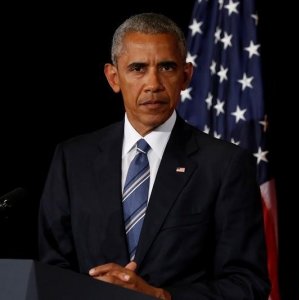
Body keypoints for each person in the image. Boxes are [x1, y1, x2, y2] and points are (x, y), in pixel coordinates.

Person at [38, 12, 270, 299]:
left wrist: (161, 296)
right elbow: (52, 271)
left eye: (167, 67)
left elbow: (247, 284)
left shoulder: (224, 165)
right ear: (113, 77)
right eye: (137, 68)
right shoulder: (72, 160)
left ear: (186, 76)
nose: (153, 84)